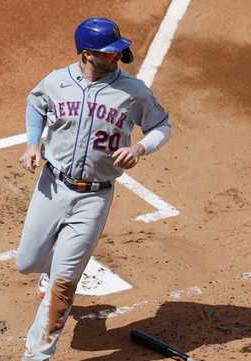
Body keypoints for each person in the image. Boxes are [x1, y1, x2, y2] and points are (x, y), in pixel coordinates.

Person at [16, 17, 172, 360]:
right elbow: (35, 104)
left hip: (94, 196)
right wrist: (32, 145)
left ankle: (37, 354)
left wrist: (139, 148)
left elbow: (162, 125)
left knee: (64, 284)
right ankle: (47, 274)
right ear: (86, 54)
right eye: (109, 52)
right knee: (27, 262)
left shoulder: (133, 92)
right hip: (52, 187)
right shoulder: (57, 82)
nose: (118, 56)